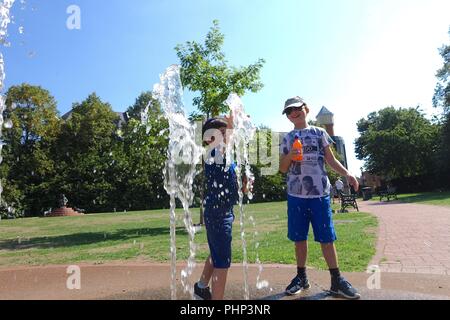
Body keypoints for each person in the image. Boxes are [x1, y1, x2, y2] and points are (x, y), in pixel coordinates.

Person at [279, 96, 361, 299]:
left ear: (305, 109)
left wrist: (347, 174)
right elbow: (282, 168)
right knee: (299, 239)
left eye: (296, 109)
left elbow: (331, 159)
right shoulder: (287, 138)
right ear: (287, 117)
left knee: (327, 238)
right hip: (295, 195)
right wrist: (291, 155)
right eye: (289, 111)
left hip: (319, 194)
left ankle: (337, 280)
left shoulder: (320, 133)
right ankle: (301, 277)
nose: (293, 113)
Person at [194, 114, 249, 300]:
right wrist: (233, 120)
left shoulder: (223, 156)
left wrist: (243, 186)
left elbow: (229, 182)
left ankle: (201, 287)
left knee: (216, 252)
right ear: (208, 139)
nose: (225, 136)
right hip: (218, 214)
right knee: (222, 262)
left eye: (225, 132)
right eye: (219, 133)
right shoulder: (213, 154)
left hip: (223, 211)